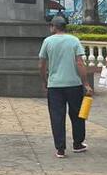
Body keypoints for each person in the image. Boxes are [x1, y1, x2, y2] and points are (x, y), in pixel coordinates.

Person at [38, 16, 93, 158]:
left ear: (54, 27)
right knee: (77, 115)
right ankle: (77, 143)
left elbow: (41, 65)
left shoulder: (48, 41)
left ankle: (60, 148)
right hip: (74, 84)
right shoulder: (74, 41)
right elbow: (80, 63)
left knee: (57, 116)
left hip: (55, 85)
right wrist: (86, 83)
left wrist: (45, 81)